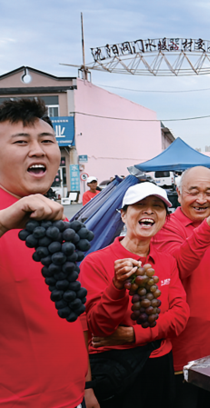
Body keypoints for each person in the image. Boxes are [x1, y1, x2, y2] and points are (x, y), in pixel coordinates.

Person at [0, 98, 89, 407]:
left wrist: (87, 383)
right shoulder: (6, 219)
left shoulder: (53, 219)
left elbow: (71, 309)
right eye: (21, 142)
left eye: (47, 141)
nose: (38, 150)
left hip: (72, 394)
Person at [81, 183, 190, 407]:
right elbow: (98, 327)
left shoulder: (167, 261)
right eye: (140, 205)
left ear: (165, 218)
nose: (149, 210)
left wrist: (132, 335)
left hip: (159, 364)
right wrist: (117, 286)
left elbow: (179, 317)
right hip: (115, 369)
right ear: (123, 215)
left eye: (157, 206)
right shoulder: (95, 262)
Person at [151, 166, 210, 408]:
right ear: (179, 193)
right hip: (186, 355)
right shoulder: (167, 227)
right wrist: (208, 227)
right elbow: (179, 266)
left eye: (209, 193)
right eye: (194, 192)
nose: (202, 200)